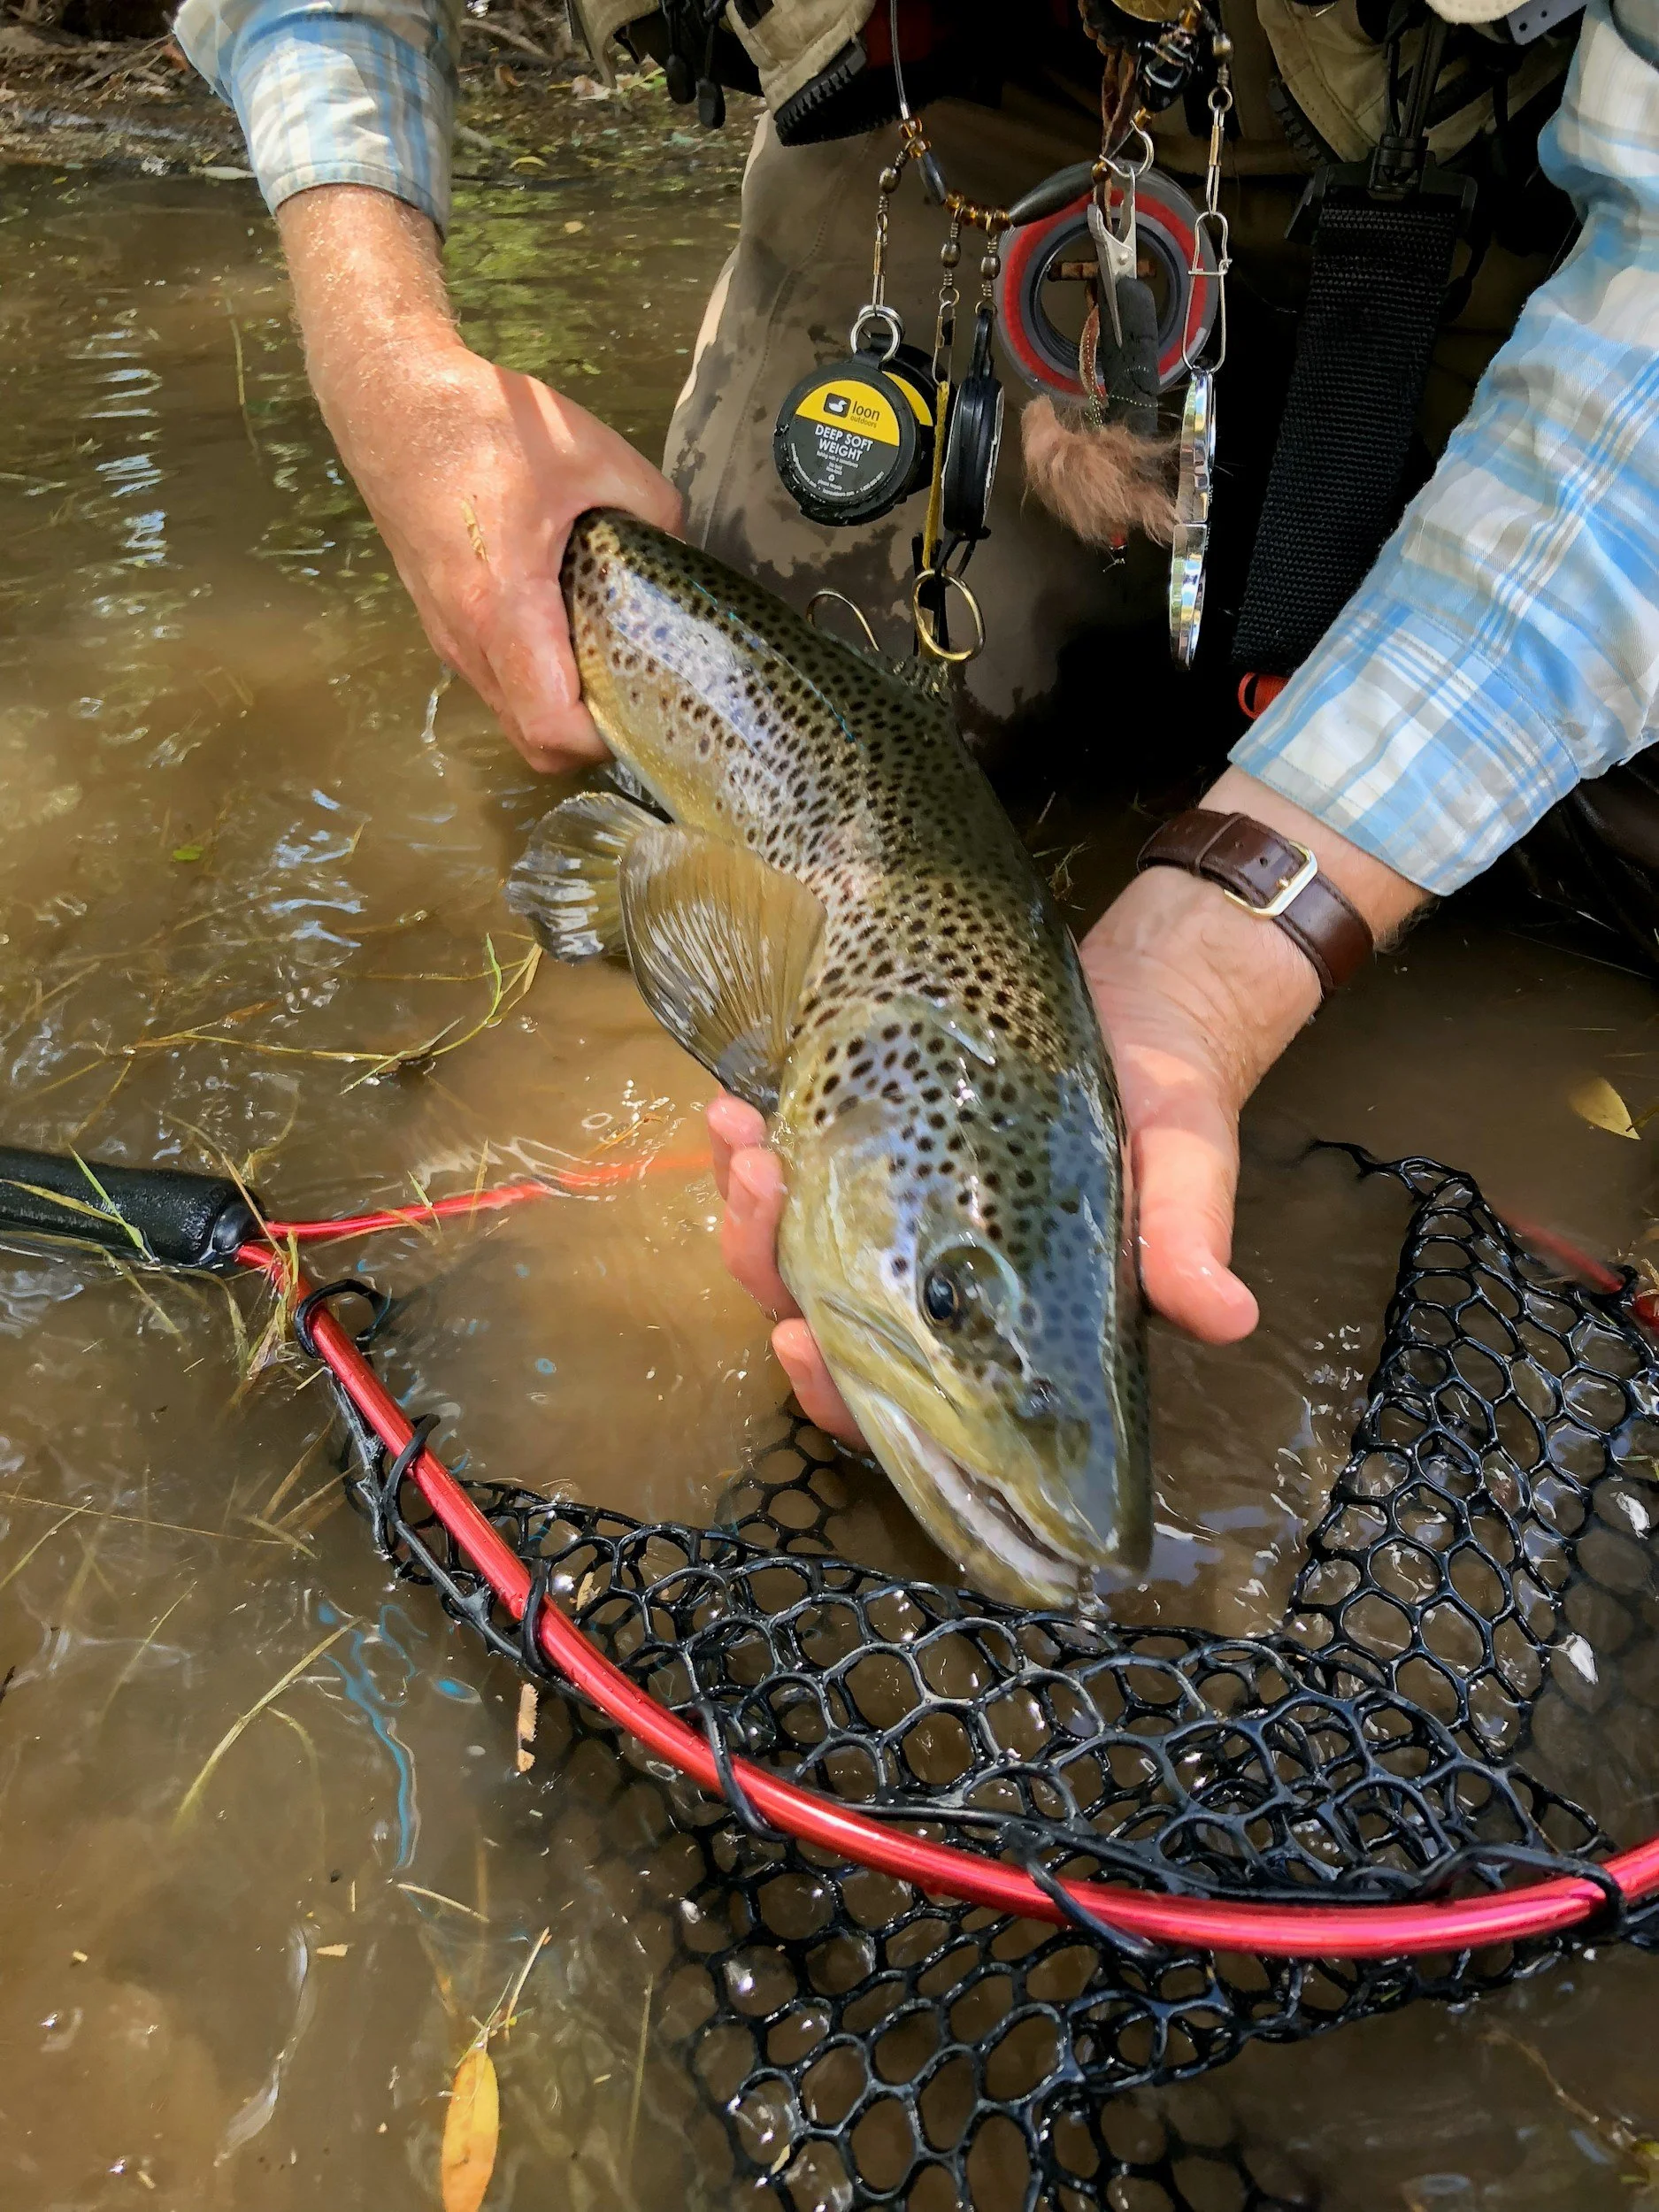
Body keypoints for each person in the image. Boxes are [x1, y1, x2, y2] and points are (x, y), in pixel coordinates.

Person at [175, 0, 1659, 1446]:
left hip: (1510, 169)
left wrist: (1247, 926)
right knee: (732, 664)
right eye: (951, 1293)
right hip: (970, 113)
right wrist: (397, 385)